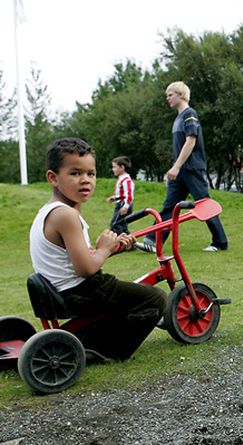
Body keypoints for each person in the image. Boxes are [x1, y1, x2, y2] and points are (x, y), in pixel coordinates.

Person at [30, 138, 167, 362]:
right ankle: (106, 349)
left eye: (90, 174)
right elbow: (85, 269)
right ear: (53, 177)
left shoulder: (51, 211)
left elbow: (76, 259)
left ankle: (91, 337)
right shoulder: (66, 215)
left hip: (66, 289)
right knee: (155, 299)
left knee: (129, 297)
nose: (85, 180)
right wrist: (102, 250)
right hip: (82, 291)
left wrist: (111, 249)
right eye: (75, 173)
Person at [137, 81, 228, 253]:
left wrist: (177, 166)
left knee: (204, 204)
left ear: (181, 95)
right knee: (169, 207)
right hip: (180, 171)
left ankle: (220, 242)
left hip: (192, 169)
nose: (167, 98)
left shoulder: (189, 114)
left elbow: (191, 141)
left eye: (170, 95)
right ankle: (152, 241)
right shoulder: (178, 118)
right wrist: (174, 169)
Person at [106, 156, 134, 235]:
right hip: (121, 203)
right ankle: (130, 243)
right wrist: (113, 198)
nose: (113, 169)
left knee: (115, 224)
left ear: (122, 167)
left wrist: (126, 206)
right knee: (122, 225)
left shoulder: (126, 180)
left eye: (114, 167)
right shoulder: (122, 179)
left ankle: (120, 243)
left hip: (123, 204)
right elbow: (121, 194)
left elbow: (129, 194)